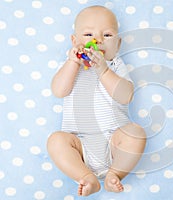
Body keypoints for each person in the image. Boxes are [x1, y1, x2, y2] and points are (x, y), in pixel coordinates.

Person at [47, 5, 146, 196]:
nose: (97, 40)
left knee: (136, 133)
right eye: (88, 34)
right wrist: (72, 63)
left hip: (114, 142)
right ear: (74, 41)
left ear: (117, 45)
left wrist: (104, 70)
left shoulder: (115, 64)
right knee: (56, 140)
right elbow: (59, 91)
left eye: (107, 35)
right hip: (79, 144)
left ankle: (114, 174)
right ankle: (86, 177)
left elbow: (126, 96)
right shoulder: (71, 65)